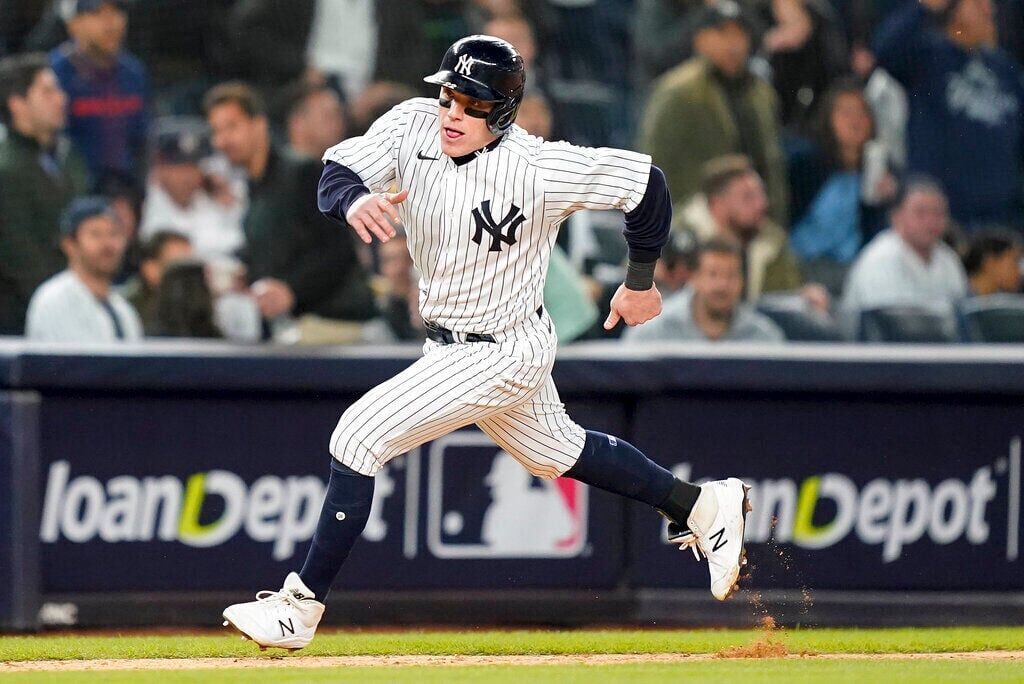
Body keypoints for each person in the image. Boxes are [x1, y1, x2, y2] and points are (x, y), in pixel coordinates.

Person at [221, 35, 753, 651]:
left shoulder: (536, 166)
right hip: (447, 343)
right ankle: (698, 504)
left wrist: (638, 284)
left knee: (357, 435)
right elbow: (336, 172)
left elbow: (646, 183)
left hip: (505, 347)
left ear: (501, 112)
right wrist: (356, 199)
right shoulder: (413, 125)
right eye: (449, 94)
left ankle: (299, 607)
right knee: (557, 453)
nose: (452, 111)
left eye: (471, 103)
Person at [203, 81, 376, 332]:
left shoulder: (302, 173)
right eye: (215, 131)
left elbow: (339, 251)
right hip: (296, 329)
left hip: (336, 325)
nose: (221, 141)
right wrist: (244, 274)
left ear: (259, 124)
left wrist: (291, 290)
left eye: (231, 127)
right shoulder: (254, 187)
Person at [873, 0, 1024, 231]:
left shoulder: (1005, 69)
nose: (989, 9)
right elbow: (885, 50)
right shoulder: (928, 56)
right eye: (978, 3)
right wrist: (927, 6)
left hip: (1000, 219)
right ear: (953, 10)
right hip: (939, 218)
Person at [638, 0, 789, 224]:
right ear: (699, 39)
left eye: (740, 34)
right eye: (721, 33)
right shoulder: (677, 91)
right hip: (692, 217)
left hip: (756, 218)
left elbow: (772, 165)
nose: (733, 43)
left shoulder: (761, 93)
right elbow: (654, 162)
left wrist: (776, 218)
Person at [0, 52, 89, 335]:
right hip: (24, 320)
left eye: (59, 90)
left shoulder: (68, 156)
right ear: (17, 104)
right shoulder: (6, 169)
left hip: (76, 306)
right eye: (47, 91)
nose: (61, 99)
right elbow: (22, 260)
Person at [788, 78, 896, 293]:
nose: (855, 121)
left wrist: (889, 199)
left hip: (857, 268)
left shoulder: (877, 168)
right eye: (845, 113)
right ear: (829, 118)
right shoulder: (806, 163)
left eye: (861, 113)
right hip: (805, 265)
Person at [675, 155, 805, 301]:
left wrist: (803, 296)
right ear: (717, 204)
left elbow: (785, 295)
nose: (761, 204)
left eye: (761, 194)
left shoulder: (771, 241)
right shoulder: (674, 241)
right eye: (748, 197)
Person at [841, 176, 969, 322]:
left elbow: (961, 316)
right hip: (882, 343)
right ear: (896, 217)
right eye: (921, 213)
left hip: (938, 343)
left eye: (938, 213)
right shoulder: (880, 259)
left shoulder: (948, 259)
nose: (931, 221)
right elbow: (889, 325)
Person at [49, 0, 147, 187]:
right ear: (73, 24)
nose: (110, 23)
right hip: (72, 191)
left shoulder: (134, 73)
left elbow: (141, 141)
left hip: (125, 191)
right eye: (97, 14)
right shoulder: (53, 76)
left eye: (117, 12)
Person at [25, 196, 143, 342]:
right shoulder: (54, 299)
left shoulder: (124, 310)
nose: (107, 244)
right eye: (95, 234)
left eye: (113, 234)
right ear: (69, 244)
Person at [624, 238, 785, 343]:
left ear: (743, 282)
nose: (722, 285)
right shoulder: (652, 331)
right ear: (694, 278)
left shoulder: (764, 338)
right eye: (713, 275)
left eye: (731, 276)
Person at [139, 117, 245, 261]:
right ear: (160, 169)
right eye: (179, 168)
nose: (187, 177)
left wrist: (232, 205)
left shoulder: (215, 200)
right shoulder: (149, 208)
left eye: (192, 167)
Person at [122, 229, 193, 334]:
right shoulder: (129, 312)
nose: (188, 277)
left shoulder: (199, 311)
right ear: (150, 269)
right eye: (177, 268)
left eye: (192, 269)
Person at [282, 80, 347, 160]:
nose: (339, 125)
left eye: (339, 116)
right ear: (298, 123)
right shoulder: (279, 168)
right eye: (329, 117)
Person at [962, 229, 1023, 296]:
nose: (1019, 272)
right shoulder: (955, 299)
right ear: (990, 263)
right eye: (1014, 262)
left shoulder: (998, 301)